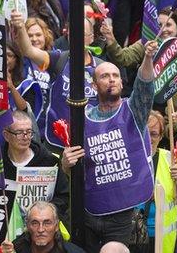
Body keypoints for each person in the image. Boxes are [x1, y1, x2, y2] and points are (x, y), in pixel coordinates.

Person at [61, 40, 158, 252]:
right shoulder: (81, 118)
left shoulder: (134, 111)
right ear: (94, 85)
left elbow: (144, 86)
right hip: (89, 212)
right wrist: (66, 164)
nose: (111, 80)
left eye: (115, 76)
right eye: (104, 76)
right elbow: (73, 167)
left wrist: (148, 58)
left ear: (122, 84)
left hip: (122, 215)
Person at [11, 11, 101, 150]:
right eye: (73, 33)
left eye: (82, 33)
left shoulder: (101, 68)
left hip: (91, 143)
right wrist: (21, 26)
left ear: (91, 38)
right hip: (56, 143)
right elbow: (29, 50)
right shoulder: (58, 59)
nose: (77, 37)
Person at [2, 111, 69, 220]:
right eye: (19, 132)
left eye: (29, 132)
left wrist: (48, 211)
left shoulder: (50, 162)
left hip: (42, 229)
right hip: (7, 230)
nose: (25, 137)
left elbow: (64, 197)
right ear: (6, 135)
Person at [137, 110, 177, 253]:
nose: (149, 138)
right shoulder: (129, 158)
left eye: (154, 134)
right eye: (145, 132)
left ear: (161, 136)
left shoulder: (172, 160)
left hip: (163, 238)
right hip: (134, 236)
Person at [0, 201, 85, 253]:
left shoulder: (72, 251)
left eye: (47, 223)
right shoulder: (14, 249)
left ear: (56, 226)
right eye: (35, 223)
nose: (41, 229)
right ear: (28, 226)